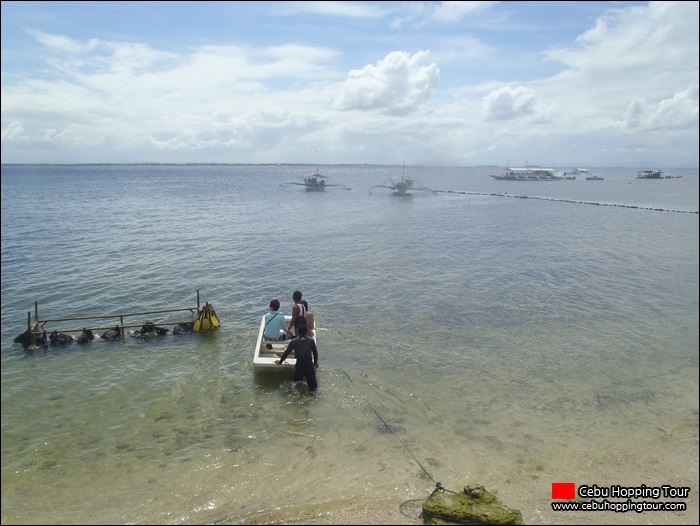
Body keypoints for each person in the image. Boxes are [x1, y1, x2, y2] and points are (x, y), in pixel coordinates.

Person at [275, 323, 318, 393]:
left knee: (297, 384)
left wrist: (280, 362)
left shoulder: (294, 342)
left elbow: (287, 353)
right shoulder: (311, 341)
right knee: (313, 387)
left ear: (297, 332)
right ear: (307, 331)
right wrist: (315, 363)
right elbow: (315, 353)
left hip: (300, 365)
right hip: (309, 365)